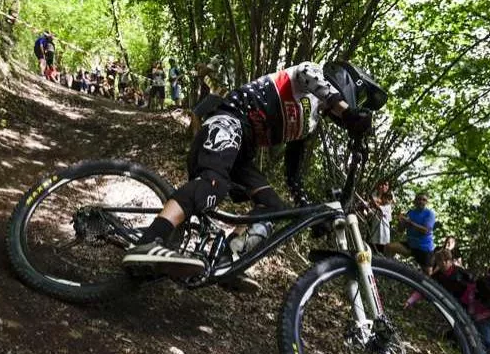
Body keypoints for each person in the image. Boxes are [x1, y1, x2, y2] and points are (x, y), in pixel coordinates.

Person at [122, 61, 386, 277]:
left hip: (242, 153)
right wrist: (347, 112)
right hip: (227, 122)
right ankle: (149, 239)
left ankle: (226, 259)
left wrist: (307, 210)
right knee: (213, 184)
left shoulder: (311, 124)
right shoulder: (309, 73)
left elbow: (292, 171)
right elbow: (309, 76)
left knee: (273, 207)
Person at [385, 193, 435, 275]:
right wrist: (400, 222)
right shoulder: (411, 213)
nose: (421, 201)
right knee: (389, 247)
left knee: (428, 274)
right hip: (411, 245)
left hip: (424, 248)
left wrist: (410, 223)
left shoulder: (429, 214)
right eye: (419, 199)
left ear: (427, 202)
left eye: (424, 200)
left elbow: (426, 231)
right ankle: (388, 270)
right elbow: (400, 230)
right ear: (415, 201)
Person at [367, 181, 393, 254]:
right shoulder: (377, 203)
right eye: (385, 198)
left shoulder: (388, 207)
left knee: (383, 248)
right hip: (375, 231)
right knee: (373, 247)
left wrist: (373, 200)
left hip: (384, 231)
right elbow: (370, 213)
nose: (387, 200)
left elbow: (378, 207)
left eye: (389, 199)